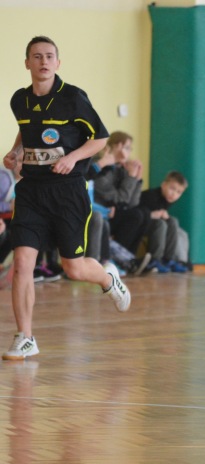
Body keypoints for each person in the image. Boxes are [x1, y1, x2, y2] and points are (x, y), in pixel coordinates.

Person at [3, 36, 130, 360]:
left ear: (58, 63)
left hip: (67, 193)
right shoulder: (19, 99)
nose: (43, 61)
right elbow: (26, 129)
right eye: (37, 56)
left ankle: (108, 278)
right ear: (27, 63)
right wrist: (16, 151)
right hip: (31, 191)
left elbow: (99, 138)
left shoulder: (73, 97)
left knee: (73, 268)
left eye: (49, 56)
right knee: (22, 263)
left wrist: (72, 158)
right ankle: (25, 337)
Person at [89, 131, 151, 274]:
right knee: (135, 215)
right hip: (100, 212)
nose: (129, 152)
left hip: (111, 213)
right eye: (127, 147)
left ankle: (130, 260)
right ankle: (125, 261)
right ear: (118, 146)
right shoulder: (100, 166)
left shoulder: (120, 168)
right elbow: (120, 198)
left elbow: (133, 202)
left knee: (144, 213)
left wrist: (137, 179)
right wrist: (130, 177)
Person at [139, 170, 191, 273]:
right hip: (140, 224)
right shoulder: (151, 196)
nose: (174, 194)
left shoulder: (167, 199)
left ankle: (169, 260)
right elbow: (136, 211)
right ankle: (155, 259)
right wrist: (152, 214)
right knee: (161, 224)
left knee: (173, 221)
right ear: (163, 185)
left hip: (153, 224)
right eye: (172, 188)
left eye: (179, 192)